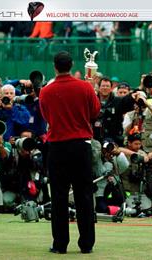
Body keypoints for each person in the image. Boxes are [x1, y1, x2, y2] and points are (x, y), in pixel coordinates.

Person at [39, 51, 101, 254]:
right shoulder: (85, 87)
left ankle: (60, 245)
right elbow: (94, 113)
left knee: (58, 197)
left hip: (57, 147)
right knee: (84, 196)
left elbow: (46, 116)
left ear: (55, 66)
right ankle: (86, 244)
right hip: (81, 146)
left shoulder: (46, 91)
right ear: (72, 64)